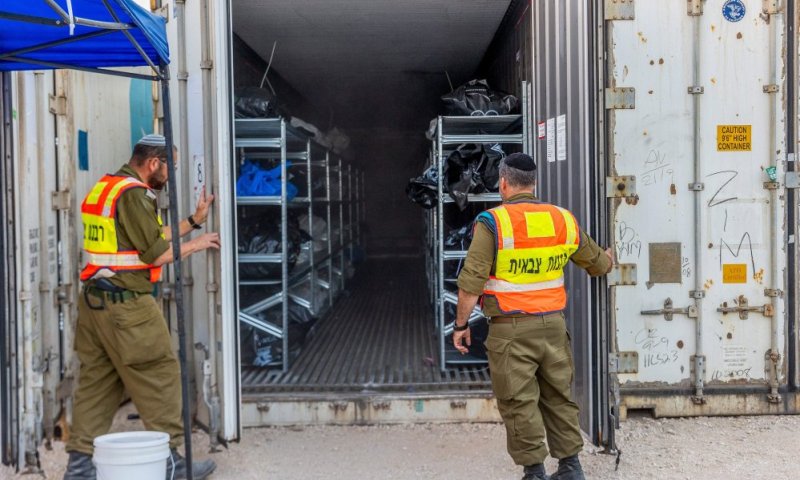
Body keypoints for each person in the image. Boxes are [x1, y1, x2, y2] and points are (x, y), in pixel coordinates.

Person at [63, 134, 220, 480]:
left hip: (95, 305)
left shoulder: (107, 187)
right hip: (127, 306)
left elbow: (148, 236)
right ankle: (170, 463)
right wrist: (198, 243)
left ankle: (79, 467)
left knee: (96, 383)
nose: (170, 176)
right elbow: (155, 254)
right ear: (153, 163)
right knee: (159, 374)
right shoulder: (135, 194)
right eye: (170, 168)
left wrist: (193, 221)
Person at [453, 153, 612, 480]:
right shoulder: (562, 219)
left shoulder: (493, 222)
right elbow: (597, 264)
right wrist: (608, 258)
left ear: (503, 183)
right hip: (553, 327)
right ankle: (570, 468)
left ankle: (534, 472)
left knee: (518, 401)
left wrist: (460, 325)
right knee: (559, 397)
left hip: (510, 331)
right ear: (534, 183)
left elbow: (471, 282)